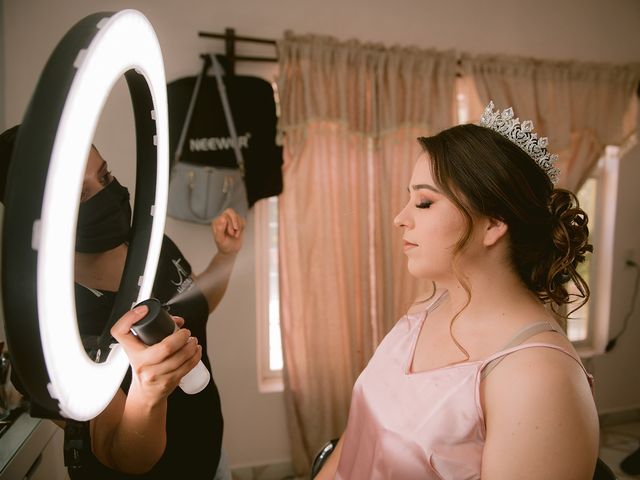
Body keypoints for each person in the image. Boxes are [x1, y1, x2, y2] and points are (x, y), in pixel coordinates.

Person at [316, 102, 600, 479]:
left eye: (424, 202)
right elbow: (358, 436)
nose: (401, 218)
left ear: (493, 223)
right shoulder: (430, 304)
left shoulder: (539, 377)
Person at [0, 124, 245, 479]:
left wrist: (226, 256)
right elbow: (120, 452)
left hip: (211, 459)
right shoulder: (48, 326)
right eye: (80, 195)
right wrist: (149, 390)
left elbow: (196, 300)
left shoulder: (149, 244)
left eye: (105, 175)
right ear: (37, 220)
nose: (107, 194)